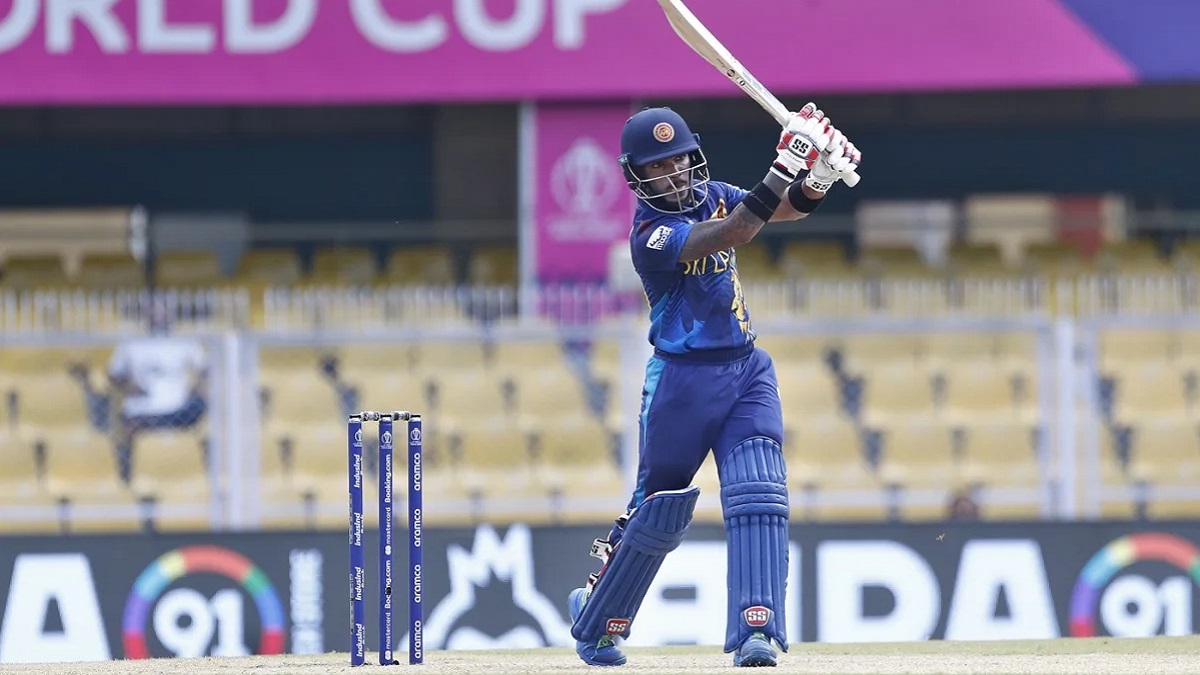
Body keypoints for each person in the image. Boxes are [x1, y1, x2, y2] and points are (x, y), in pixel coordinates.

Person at [566, 103, 860, 667]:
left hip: (747, 369)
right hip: (683, 383)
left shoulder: (714, 194)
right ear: (636, 176)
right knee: (657, 512)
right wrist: (786, 162)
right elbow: (737, 230)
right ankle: (597, 618)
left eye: (679, 160)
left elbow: (783, 209)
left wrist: (820, 174)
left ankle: (757, 630)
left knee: (760, 494)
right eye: (658, 166)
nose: (673, 173)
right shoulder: (650, 235)